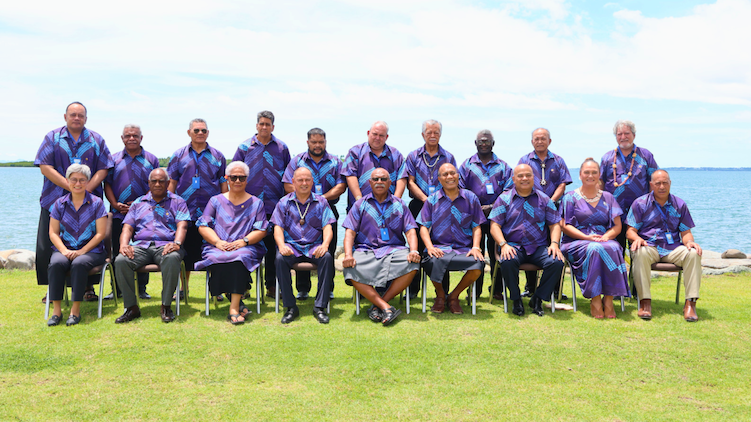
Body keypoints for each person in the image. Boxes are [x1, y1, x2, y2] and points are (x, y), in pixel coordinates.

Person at [35, 102, 113, 303]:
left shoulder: (96, 139)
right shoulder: (52, 138)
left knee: (89, 244)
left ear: (85, 118)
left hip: (89, 204)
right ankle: (54, 289)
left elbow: (104, 168)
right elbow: (45, 166)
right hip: (54, 201)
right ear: (65, 116)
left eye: (80, 115)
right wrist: (71, 187)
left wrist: (85, 189)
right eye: (73, 114)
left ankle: (88, 288)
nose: (76, 118)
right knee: (49, 245)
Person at [342, 168, 420, 326]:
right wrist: (348, 254)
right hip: (366, 249)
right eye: (376, 179)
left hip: (394, 250)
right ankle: (385, 307)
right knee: (350, 268)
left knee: (413, 263)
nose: (379, 182)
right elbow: (349, 233)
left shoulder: (400, 205)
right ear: (370, 182)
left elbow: (411, 231)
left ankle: (380, 303)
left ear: (390, 183)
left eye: (384, 179)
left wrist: (413, 250)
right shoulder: (360, 204)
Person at [113, 168, 190, 324]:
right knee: (121, 261)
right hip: (141, 246)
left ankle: (166, 306)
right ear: (148, 183)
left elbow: (183, 226)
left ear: (168, 183)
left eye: (162, 181)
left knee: (172, 258)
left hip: (166, 245)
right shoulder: (138, 203)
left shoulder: (178, 202)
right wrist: (123, 245)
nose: (157, 184)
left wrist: (177, 243)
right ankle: (131, 307)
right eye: (154, 181)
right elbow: (127, 227)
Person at [195, 162, 268, 325]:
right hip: (217, 245)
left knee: (237, 258)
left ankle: (234, 308)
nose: (237, 181)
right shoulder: (215, 201)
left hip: (246, 247)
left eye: (241, 177)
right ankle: (234, 297)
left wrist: (244, 241)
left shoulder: (256, 203)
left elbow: (262, 230)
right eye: (233, 177)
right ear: (227, 178)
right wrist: (217, 242)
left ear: (246, 180)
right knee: (216, 257)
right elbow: (203, 225)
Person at [625, 170, 702, 322]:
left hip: (672, 248)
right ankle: (645, 303)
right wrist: (637, 239)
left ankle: (690, 304)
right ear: (651, 185)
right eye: (658, 183)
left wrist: (689, 242)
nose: (662, 186)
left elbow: (686, 232)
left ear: (670, 184)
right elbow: (630, 231)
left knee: (693, 253)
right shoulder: (640, 203)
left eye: (665, 182)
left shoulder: (679, 204)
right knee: (639, 252)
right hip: (649, 246)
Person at [489, 164, 564, 317]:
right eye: (520, 176)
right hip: (512, 246)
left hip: (538, 247)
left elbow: (555, 224)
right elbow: (494, 226)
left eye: (528, 175)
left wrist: (555, 244)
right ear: (513, 179)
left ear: (533, 177)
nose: (524, 178)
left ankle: (537, 298)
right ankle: (516, 299)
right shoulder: (503, 199)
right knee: (507, 261)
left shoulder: (544, 199)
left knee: (556, 262)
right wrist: (503, 245)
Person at [282, 128, 345, 301]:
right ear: (308, 142)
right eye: (314, 142)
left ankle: (327, 289)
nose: (318, 145)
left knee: (328, 250)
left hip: (327, 208)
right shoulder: (297, 161)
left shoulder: (335, 162)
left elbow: (341, 185)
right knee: (301, 243)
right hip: (299, 210)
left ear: (325, 142)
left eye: (321, 142)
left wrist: (320, 199)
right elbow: (287, 184)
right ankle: (303, 289)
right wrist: (306, 198)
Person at [233, 110, 291, 299]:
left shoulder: (282, 148)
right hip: (247, 208)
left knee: (273, 248)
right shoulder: (244, 148)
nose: (264, 127)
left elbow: (288, 178)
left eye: (268, 124)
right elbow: (234, 174)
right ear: (257, 125)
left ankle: (272, 287)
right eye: (261, 124)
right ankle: (244, 286)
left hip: (276, 208)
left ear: (273, 127)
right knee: (246, 246)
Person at [560, 158, 629, 319]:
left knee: (614, 247)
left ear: (599, 175)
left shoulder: (608, 197)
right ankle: (596, 299)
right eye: (586, 172)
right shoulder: (570, 197)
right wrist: (586, 237)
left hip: (603, 238)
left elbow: (617, 226)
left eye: (594, 172)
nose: (590, 175)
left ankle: (609, 299)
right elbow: (565, 226)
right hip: (575, 240)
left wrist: (606, 236)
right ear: (580, 175)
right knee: (595, 248)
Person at [167, 118, 227, 299]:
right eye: (196, 130)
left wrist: (226, 208)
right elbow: (172, 183)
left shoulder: (218, 156)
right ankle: (183, 289)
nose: (200, 133)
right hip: (185, 212)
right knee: (184, 253)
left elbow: (224, 184)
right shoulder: (178, 156)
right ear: (189, 133)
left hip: (211, 215)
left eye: (203, 130)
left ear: (208, 133)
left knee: (214, 251)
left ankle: (216, 290)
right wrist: (169, 207)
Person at [418, 163, 486, 314]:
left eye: (452, 173)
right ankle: (441, 296)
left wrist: (476, 247)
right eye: (445, 174)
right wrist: (429, 247)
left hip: (464, 249)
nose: (449, 176)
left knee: (477, 265)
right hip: (439, 247)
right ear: (439, 179)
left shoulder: (471, 198)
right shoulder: (432, 200)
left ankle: (454, 296)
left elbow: (476, 226)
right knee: (431, 261)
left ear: (458, 176)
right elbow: (423, 227)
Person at [46, 164, 108, 326]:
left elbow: (101, 233)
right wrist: (64, 250)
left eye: (82, 180)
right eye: (74, 179)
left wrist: (82, 251)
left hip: (92, 250)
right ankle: (56, 311)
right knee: (56, 263)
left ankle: (75, 310)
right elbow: (53, 232)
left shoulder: (97, 203)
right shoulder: (59, 204)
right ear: (67, 181)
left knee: (79, 264)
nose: (78, 183)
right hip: (65, 248)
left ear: (87, 182)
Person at [273, 168, 337, 324]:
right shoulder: (284, 202)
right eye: (300, 180)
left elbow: (328, 226)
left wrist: (325, 244)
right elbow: (277, 227)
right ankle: (290, 307)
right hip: (292, 245)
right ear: (293, 182)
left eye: (307, 180)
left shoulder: (321, 202)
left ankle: (320, 307)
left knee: (327, 258)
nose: (304, 183)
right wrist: (281, 245)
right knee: (280, 258)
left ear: (312, 182)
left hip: (314, 245)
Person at [104, 124, 160, 300]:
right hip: (118, 213)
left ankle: (141, 288)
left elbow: (158, 186)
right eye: (128, 136)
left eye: (135, 135)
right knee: (117, 251)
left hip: (145, 214)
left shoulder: (151, 160)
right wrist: (114, 203)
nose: (131, 138)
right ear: (122, 138)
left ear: (141, 138)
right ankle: (117, 289)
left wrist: (139, 204)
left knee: (143, 248)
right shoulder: (112, 160)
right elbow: (107, 184)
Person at [458, 129, 513, 300]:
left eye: (487, 141)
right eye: (481, 141)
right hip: (473, 217)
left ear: (493, 144)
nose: (483, 144)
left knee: (497, 253)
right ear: (475, 143)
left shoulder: (503, 166)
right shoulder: (466, 165)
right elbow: (460, 190)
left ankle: (497, 290)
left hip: (497, 217)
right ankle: (474, 290)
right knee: (476, 253)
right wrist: (476, 207)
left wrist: (492, 207)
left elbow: (509, 190)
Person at [405, 119, 457, 299]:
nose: (432, 135)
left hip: (443, 206)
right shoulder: (413, 156)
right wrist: (427, 200)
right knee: (416, 247)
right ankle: (413, 290)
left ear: (440, 134)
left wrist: (435, 201)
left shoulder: (448, 157)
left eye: (436, 132)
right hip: (419, 204)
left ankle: (442, 292)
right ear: (423, 135)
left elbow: (452, 181)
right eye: (429, 132)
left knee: (441, 246)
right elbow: (409, 182)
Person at [518, 128, 572, 299]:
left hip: (553, 210)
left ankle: (555, 289)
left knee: (553, 249)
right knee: (531, 246)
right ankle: (530, 288)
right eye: (536, 139)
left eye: (543, 138)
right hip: (529, 211)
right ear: (532, 141)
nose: (540, 141)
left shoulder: (558, 160)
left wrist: (549, 202)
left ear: (550, 141)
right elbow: (520, 182)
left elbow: (563, 184)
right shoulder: (525, 160)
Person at [600, 120, 659, 250]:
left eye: (626, 133)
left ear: (634, 135)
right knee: (615, 249)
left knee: (639, 249)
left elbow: (654, 181)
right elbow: (600, 183)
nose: (623, 137)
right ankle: (618, 271)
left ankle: (635, 271)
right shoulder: (607, 158)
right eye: (619, 134)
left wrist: (652, 205)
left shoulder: (645, 155)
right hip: (614, 213)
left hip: (640, 211)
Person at [342, 121, 407, 211]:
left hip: (389, 209)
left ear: (386, 137)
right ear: (368, 133)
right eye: (374, 134)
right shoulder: (355, 152)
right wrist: (360, 201)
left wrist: (396, 202)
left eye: (381, 135)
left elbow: (401, 178)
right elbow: (350, 176)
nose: (377, 138)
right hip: (359, 209)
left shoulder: (396, 155)